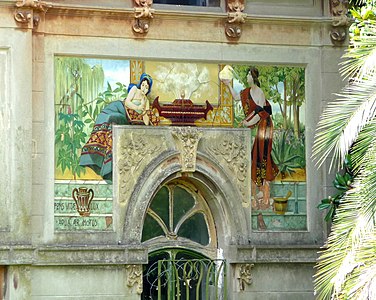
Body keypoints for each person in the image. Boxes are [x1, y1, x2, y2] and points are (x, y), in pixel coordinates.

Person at [79, 73, 158, 181]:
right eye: (143, 85)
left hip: (126, 118)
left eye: (147, 87)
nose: (144, 88)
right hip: (119, 108)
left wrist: (144, 109)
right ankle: (93, 149)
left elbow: (146, 122)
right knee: (107, 117)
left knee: (112, 119)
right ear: (140, 84)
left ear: (148, 90)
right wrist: (138, 107)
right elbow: (127, 102)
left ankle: (106, 164)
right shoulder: (134, 89)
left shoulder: (146, 101)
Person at [222, 67, 279, 209]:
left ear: (252, 77)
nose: (246, 77)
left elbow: (260, 113)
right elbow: (236, 97)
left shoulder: (259, 92)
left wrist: (247, 122)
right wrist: (228, 84)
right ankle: (259, 186)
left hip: (265, 126)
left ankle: (263, 189)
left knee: (262, 154)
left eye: (248, 75)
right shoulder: (247, 92)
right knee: (256, 154)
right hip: (258, 125)